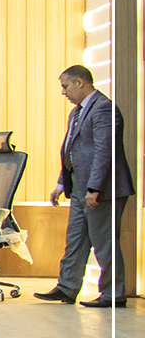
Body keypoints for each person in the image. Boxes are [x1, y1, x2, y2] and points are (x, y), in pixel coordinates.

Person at [37, 64, 134, 307]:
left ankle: (113, 294)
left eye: (65, 86)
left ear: (80, 82)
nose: (63, 92)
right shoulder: (77, 112)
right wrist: (62, 183)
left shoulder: (104, 108)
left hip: (103, 191)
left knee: (104, 243)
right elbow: (71, 150)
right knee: (76, 240)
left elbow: (104, 151)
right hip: (80, 187)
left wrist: (95, 188)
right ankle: (66, 288)